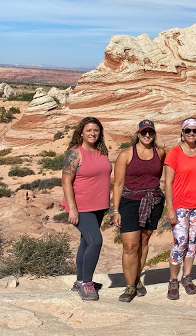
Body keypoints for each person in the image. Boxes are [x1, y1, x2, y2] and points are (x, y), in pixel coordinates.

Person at [112, 119, 166, 302]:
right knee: (130, 245)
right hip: (129, 202)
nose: (147, 135)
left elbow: (157, 177)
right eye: (144, 132)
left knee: (143, 241)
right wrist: (115, 210)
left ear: (154, 134)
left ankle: (136, 279)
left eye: (150, 132)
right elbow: (118, 184)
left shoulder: (160, 152)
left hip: (153, 202)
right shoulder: (126, 154)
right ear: (138, 134)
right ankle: (129, 286)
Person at [61, 116, 112, 302]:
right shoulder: (75, 153)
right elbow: (66, 181)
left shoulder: (101, 151)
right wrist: (72, 209)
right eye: (89, 130)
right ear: (81, 132)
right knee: (96, 240)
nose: (92, 133)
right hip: (81, 206)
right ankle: (87, 283)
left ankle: (79, 280)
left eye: (96, 130)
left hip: (98, 206)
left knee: (86, 242)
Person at [163, 117, 196, 300]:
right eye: (188, 130)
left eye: (195, 131)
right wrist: (170, 208)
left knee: (192, 241)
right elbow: (167, 182)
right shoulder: (174, 153)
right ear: (182, 133)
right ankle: (173, 279)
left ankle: (187, 276)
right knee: (180, 243)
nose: (191, 134)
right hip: (181, 206)